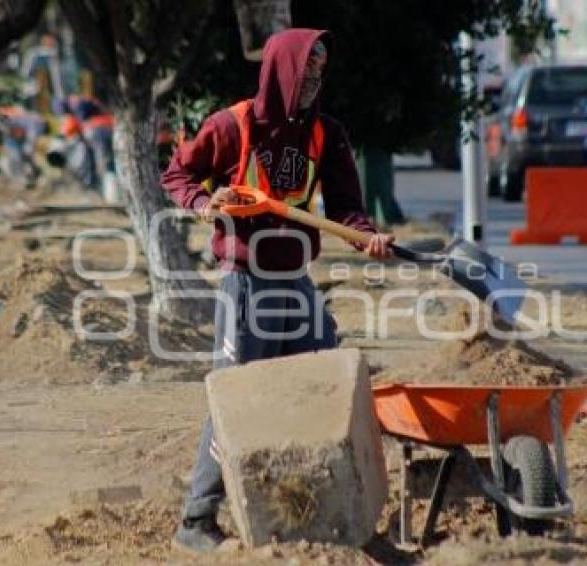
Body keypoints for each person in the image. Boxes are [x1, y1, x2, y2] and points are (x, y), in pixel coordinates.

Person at [161, 29, 394, 553]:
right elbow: (178, 173)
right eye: (306, 69)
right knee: (234, 400)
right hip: (245, 286)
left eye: (321, 71)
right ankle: (196, 521)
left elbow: (347, 209)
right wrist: (206, 204)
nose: (314, 80)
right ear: (282, 69)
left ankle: (323, 508)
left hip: (297, 285)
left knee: (328, 388)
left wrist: (368, 237)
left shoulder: (325, 135)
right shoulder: (231, 126)